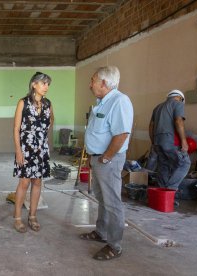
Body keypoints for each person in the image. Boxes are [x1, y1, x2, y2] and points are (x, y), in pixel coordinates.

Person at [80, 66, 133, 261]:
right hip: (98, 158)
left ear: (103, 83)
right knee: (102, 198)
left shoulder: (119, 102)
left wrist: (106, 157)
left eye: (92, 80)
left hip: (108, 159)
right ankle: (101, 232)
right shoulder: (102, 102)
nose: (90, 84)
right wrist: (91, 156)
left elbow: (122, 134)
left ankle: (115, 245)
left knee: (112, 202)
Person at [12, 72, 54, 233]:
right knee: (24, 182)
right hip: (25, 149)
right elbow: (16, 128)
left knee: (37, 182)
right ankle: (17, 217)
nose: (46, 87)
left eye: (48, 84)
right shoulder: (23, 103)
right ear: (33, 84)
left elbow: (51, 120)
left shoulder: (48, 104)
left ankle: (32, 216)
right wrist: (18, 151)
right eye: (43, 83)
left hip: (41, 150)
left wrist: (42, 138)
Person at [149, 89, 191, 194]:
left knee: (164, 165)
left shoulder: (157, 107)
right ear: (181, 98)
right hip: (170, 141)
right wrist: (184, 141)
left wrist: (153, 142)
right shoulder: (178, 104)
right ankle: (170, 190)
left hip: (158, 141)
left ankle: (162, 194)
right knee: (184, 163)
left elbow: (151, 126)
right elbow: (178, 121)